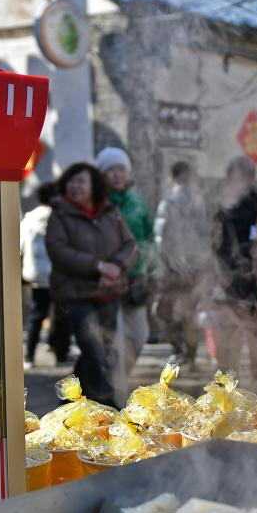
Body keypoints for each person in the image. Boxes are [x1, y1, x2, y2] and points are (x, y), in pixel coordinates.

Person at [45, 163, 138, 406]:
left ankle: (67, 405)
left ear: (93, 185)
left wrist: (116, 266)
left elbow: (130, 245)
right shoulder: (60, 213)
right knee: (95, 352)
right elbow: (58, 251)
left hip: (108, 293)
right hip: (76, 295)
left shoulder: (110, 211)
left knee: (94, 355)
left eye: (81, 182)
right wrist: (97, 266)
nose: (75, 187)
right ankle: (110, 408)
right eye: (71, 182)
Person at [210, 156, 257, 392]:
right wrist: (217, 280)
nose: (241, 182)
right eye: (236, 177)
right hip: (226, 283)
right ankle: (227, 394)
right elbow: (213, 245)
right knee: (227, 344)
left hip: (256, 282)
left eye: (245, 177)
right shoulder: (221, 207)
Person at [96, 146, 155, 376]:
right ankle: (114, 393)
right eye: (111, 170)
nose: (117, 175)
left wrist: (154, 273)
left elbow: (150, 238)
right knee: (115, 341)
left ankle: (116, 379)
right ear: (102, 174)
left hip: (136, 281)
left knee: (139, 337)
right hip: (106, 283)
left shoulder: (137, 203)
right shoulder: (97, 204)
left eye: (121, 169)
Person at [154, 161, 210, 367]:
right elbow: (206, 236)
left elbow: (160, 239)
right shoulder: (198, 202)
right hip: (194, 268)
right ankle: (190, 352)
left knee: (169, 309)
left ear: (172, 178)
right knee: (189, 311)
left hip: (174, 268)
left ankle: (179, 350)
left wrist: (166, 265)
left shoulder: (168, 203)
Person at [20, 181, 71, 369]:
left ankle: (29, 356)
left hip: (37, 275)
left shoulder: (30, 218)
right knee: (61, 316)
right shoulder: (61, 217)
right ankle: (61, 355)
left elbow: (20, 245)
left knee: (37, 315)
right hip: (58, 275)